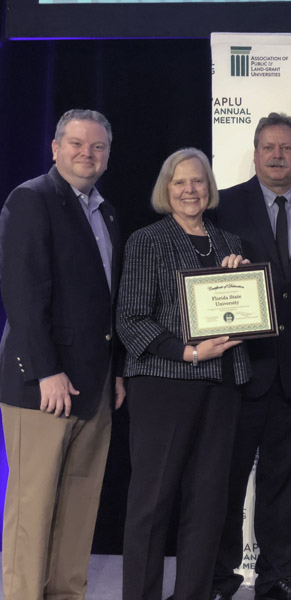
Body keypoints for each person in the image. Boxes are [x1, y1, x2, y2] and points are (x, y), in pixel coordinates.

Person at [0, 108, 125, 600]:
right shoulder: (32, 199)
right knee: (31, 509)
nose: (86, 154)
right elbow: (23, 294)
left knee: (78, 504)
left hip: (93, 387)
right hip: (43, 387)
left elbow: (104, 303)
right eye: (76, 144)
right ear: (55, 148)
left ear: (108, 155)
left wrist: (114, 373)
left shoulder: (106, 212)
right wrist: (46, 370)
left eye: (97, 147)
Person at [117, 148, 251, 600]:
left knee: (208, 504)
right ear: (166, 190)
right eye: (180, 182)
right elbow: (131, 319)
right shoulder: (147, 240)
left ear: (209, 188)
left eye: (197, 181)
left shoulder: (230, 243)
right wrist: (188, 352)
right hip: (164, 383)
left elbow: (244, 316)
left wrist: (245, 283)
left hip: (223, 385)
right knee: (152, 504)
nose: (190, 190)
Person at [213, 112, 291, 600]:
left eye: (286, 148)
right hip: (240, 371)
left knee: (285, 487)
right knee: (225, 483)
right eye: (269, 147)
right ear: (256, 153)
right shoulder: (223, 206)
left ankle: (278, 578)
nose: (278, 155)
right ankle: (219, 577)